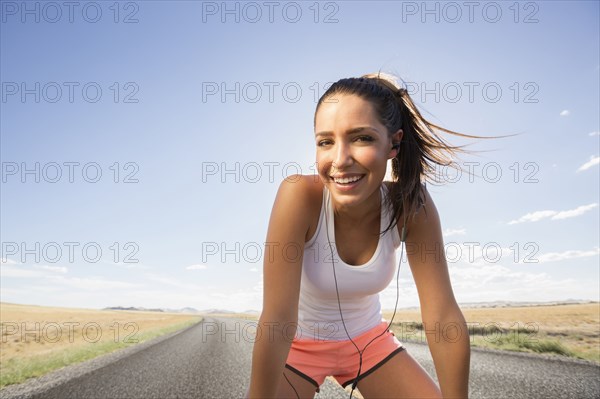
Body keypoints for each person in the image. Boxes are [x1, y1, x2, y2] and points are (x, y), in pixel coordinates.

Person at [246, 72, 489, 399]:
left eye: (361, 138)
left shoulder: (411, 205)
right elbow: (278, 319)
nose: (340, 160)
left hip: (368, 342)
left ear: (394, 143)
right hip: (298, 346)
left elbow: (442, 316)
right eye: (326, 142)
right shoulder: (298, 196)